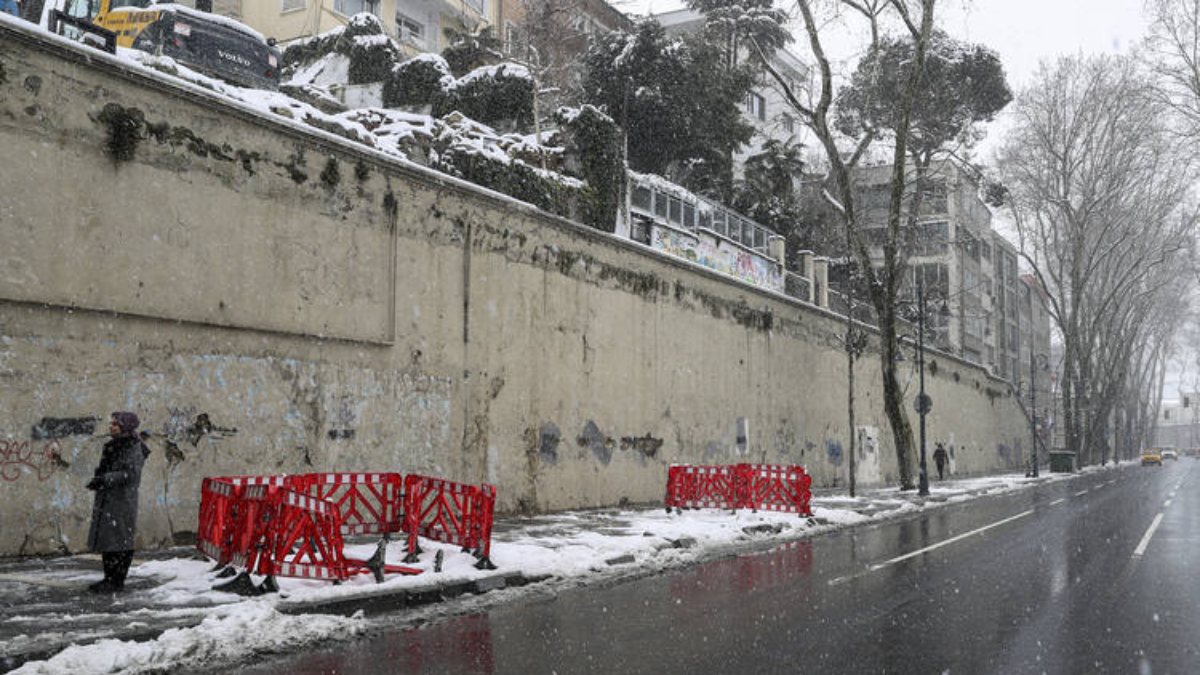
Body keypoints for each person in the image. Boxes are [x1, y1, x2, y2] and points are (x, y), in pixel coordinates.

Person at [85, 412, 149, 593]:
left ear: (125, 427)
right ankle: (109, 578)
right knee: (109, 540)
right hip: (110, 498)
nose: (111, 426)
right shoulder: (115, 445)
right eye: (111, 423)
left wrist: (105, 479)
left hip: (121, 500)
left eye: (116, 424)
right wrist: (99, 478)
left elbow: (130, 474)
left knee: (120, 541)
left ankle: (116, 581)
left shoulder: (133, 447)